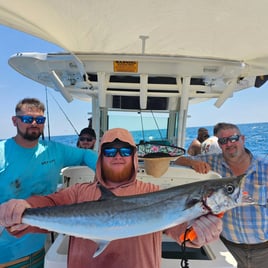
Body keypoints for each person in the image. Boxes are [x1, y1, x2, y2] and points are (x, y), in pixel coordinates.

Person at [0, 128, 223, 268]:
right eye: (109, 151)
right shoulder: (79, 192)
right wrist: (24, 206)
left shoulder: (151, 193)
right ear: (100, 157)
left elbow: (181, 231)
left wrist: (199, 233)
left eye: (125, 151)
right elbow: (50, 203)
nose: (117, 156)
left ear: (134, 157)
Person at [0, 98, 98, 267]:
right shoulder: (2, 152)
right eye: (27, 119)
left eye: (40, 120)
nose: (34, 123)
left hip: (37, 252)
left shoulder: (55, 150)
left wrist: (107, 176)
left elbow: (84, 155)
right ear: (14, 121)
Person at [175, 122, 268, 268]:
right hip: (228, 247)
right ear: (219, 144)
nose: (229, 144)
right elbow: (177, 159)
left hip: (264, 250)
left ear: (242, 139)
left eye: (233, 138)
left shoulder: (265, 165)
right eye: (223, 141)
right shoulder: (213, 161)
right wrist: (192, 163)